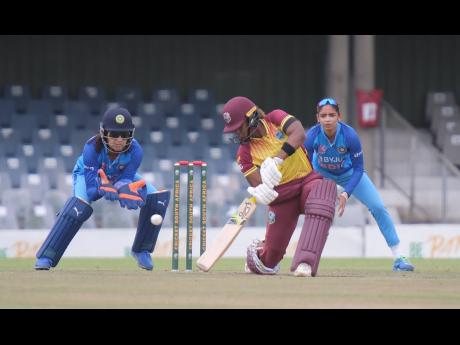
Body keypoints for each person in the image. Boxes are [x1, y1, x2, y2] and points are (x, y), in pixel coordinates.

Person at [35, 107, 170, 271]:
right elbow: (92, 190)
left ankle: (142, 250)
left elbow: (126, 178)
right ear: (104, 133)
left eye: (125, 134)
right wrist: (104, 188)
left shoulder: (136, 151)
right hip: (89, 176)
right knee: (78, 206)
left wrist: (121, 189)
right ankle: (46, 256)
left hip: (118, 175)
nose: (119, 139)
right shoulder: (91, 148)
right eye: (114, 134)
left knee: (157, 198)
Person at [221, 96, 337, 277]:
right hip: (281, 198)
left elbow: (299, 133)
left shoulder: (275, 118)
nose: (237, 134)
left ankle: (305, 262)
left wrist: (278, 159)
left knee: (323, 195)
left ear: (251, 118)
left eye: (238, 128)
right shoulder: (244, 153)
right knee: (268, 261)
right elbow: (256, 183)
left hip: (307, 181)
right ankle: (259, 250)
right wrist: (263, 191)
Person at [304, 97, 415, 272]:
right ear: (317, 118)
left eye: (331, 115)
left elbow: (358, 168)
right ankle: (294, 258)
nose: (327, 119)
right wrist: (315, 185)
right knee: (308, 210)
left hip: (349, 174)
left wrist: (345, 193)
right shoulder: (311, 136)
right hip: (321, 174)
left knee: (378, 207)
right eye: (323, 115)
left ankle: (399, 257)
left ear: (339, 116)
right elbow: (306, 165)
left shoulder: (349, 135)